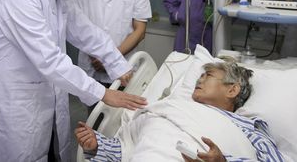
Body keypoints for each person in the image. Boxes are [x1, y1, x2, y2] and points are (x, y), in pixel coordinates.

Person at [0, 0, 147, 162]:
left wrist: (119, 67)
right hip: (12, 102)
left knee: (42, 150)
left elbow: (88, 33)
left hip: (39, 96)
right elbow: (50, 60)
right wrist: (103, 94)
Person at [76, 61, 284, 162]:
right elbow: (128, 147)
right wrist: (97, 145)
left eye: (208, 75)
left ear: (232, 89)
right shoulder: (169, 109)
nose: (199, 79)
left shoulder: (247, 127)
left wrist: (224, 161)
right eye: (199, 76)